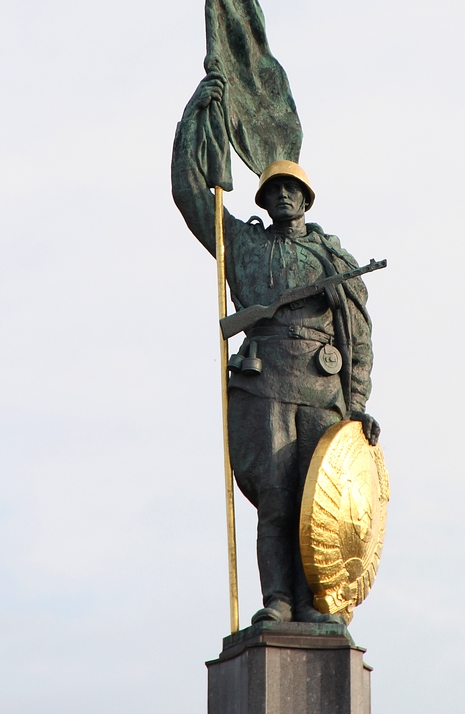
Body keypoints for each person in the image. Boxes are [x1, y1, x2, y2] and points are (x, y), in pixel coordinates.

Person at [172, 73, 380, 625]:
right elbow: (190, 195)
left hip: (321, 386)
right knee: (276, 498)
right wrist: (195, 119)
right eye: (274, 190)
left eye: (293, 189)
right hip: (264, 380)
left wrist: (357, 404)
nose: (283, 195)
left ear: (306, 198)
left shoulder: (334, 260)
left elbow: (357, 336)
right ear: (262, 199)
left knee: (320, 502)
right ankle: (279, 600)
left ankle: (317, 602)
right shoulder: (243, 243)